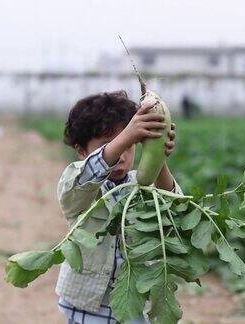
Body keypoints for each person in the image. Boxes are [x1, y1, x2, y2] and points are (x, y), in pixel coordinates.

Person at [55, 90, 182, 323]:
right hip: (88, 307)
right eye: (112, 145)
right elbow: (81, 183)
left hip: (134, 304)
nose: (122, 156)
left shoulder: (141, 185)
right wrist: (126, 136)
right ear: (81, 150)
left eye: (131, 146)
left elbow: (174, 209)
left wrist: (158, 154)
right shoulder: (79, 182)